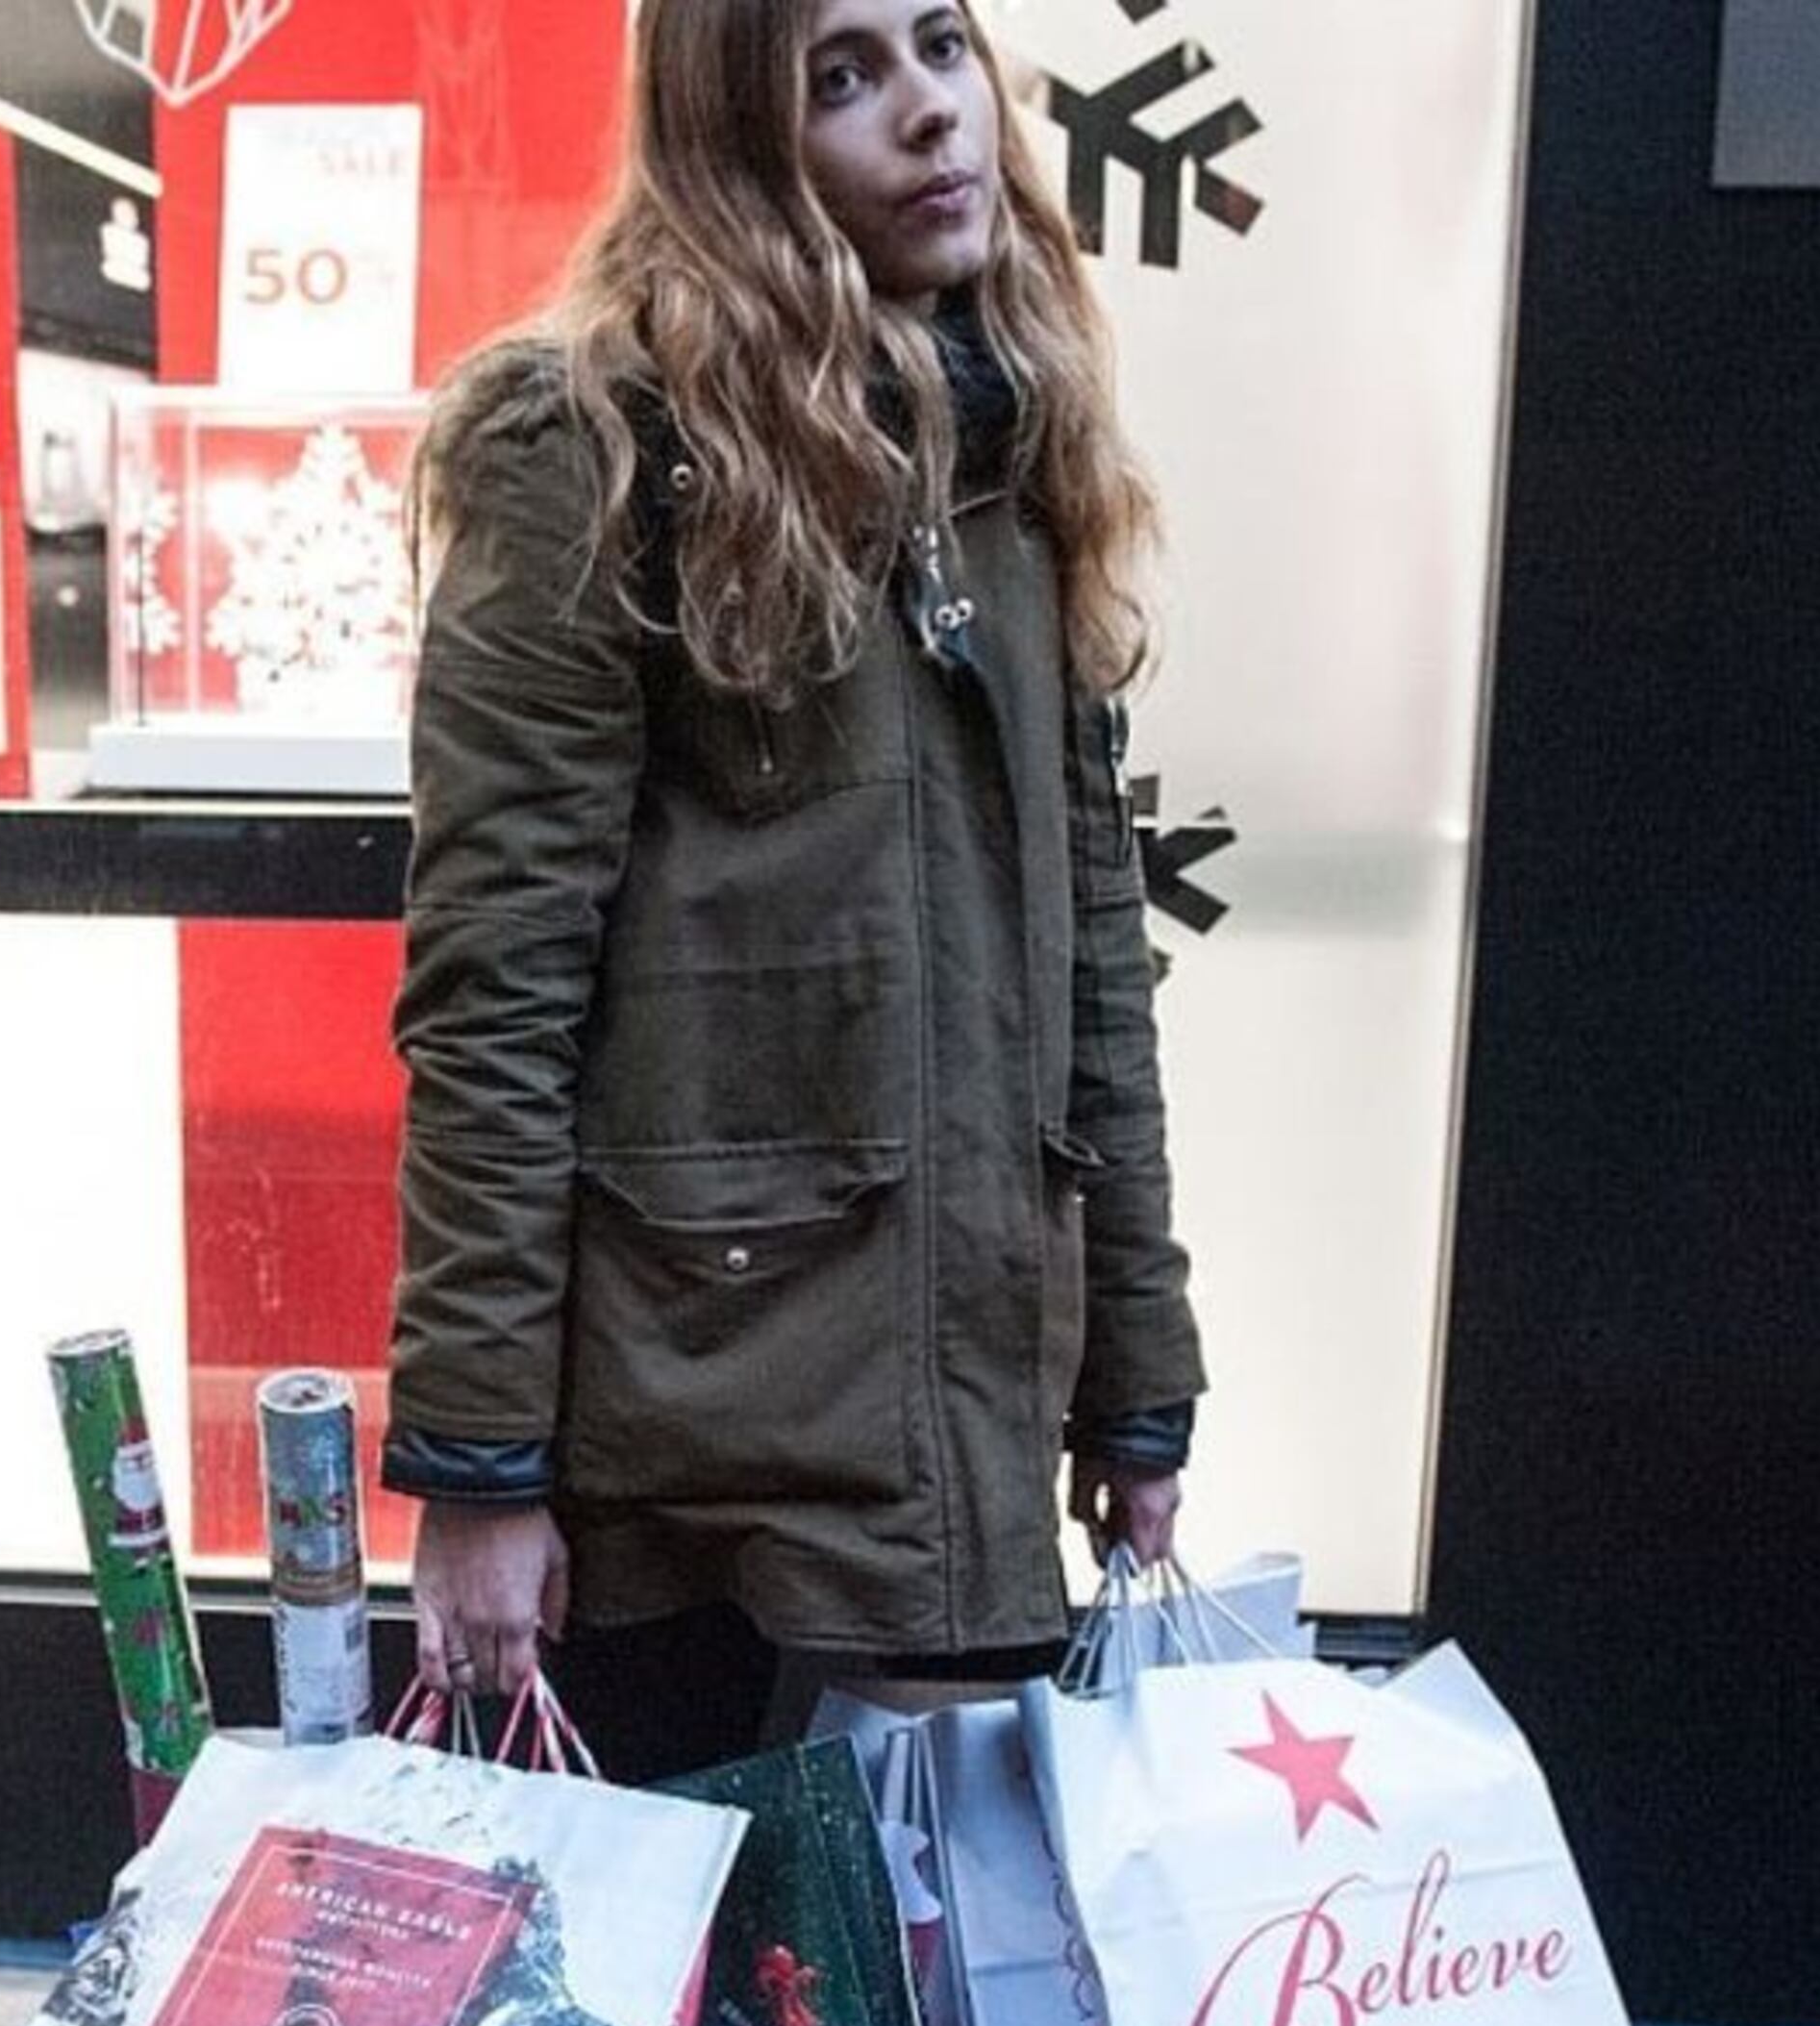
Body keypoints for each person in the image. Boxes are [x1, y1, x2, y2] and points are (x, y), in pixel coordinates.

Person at [380, 0, 1206, 1770]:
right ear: (734, 134)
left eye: (940, 45)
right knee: (663, 1936)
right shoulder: (585, 443)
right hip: (677, 1445)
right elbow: (495, 991)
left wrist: (1141, 1374)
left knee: (924, 1922)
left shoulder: (1012, 453)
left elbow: (1092, 960)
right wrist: (480, 1468)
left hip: (950, 1414)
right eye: (842, 77)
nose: (929, 112)